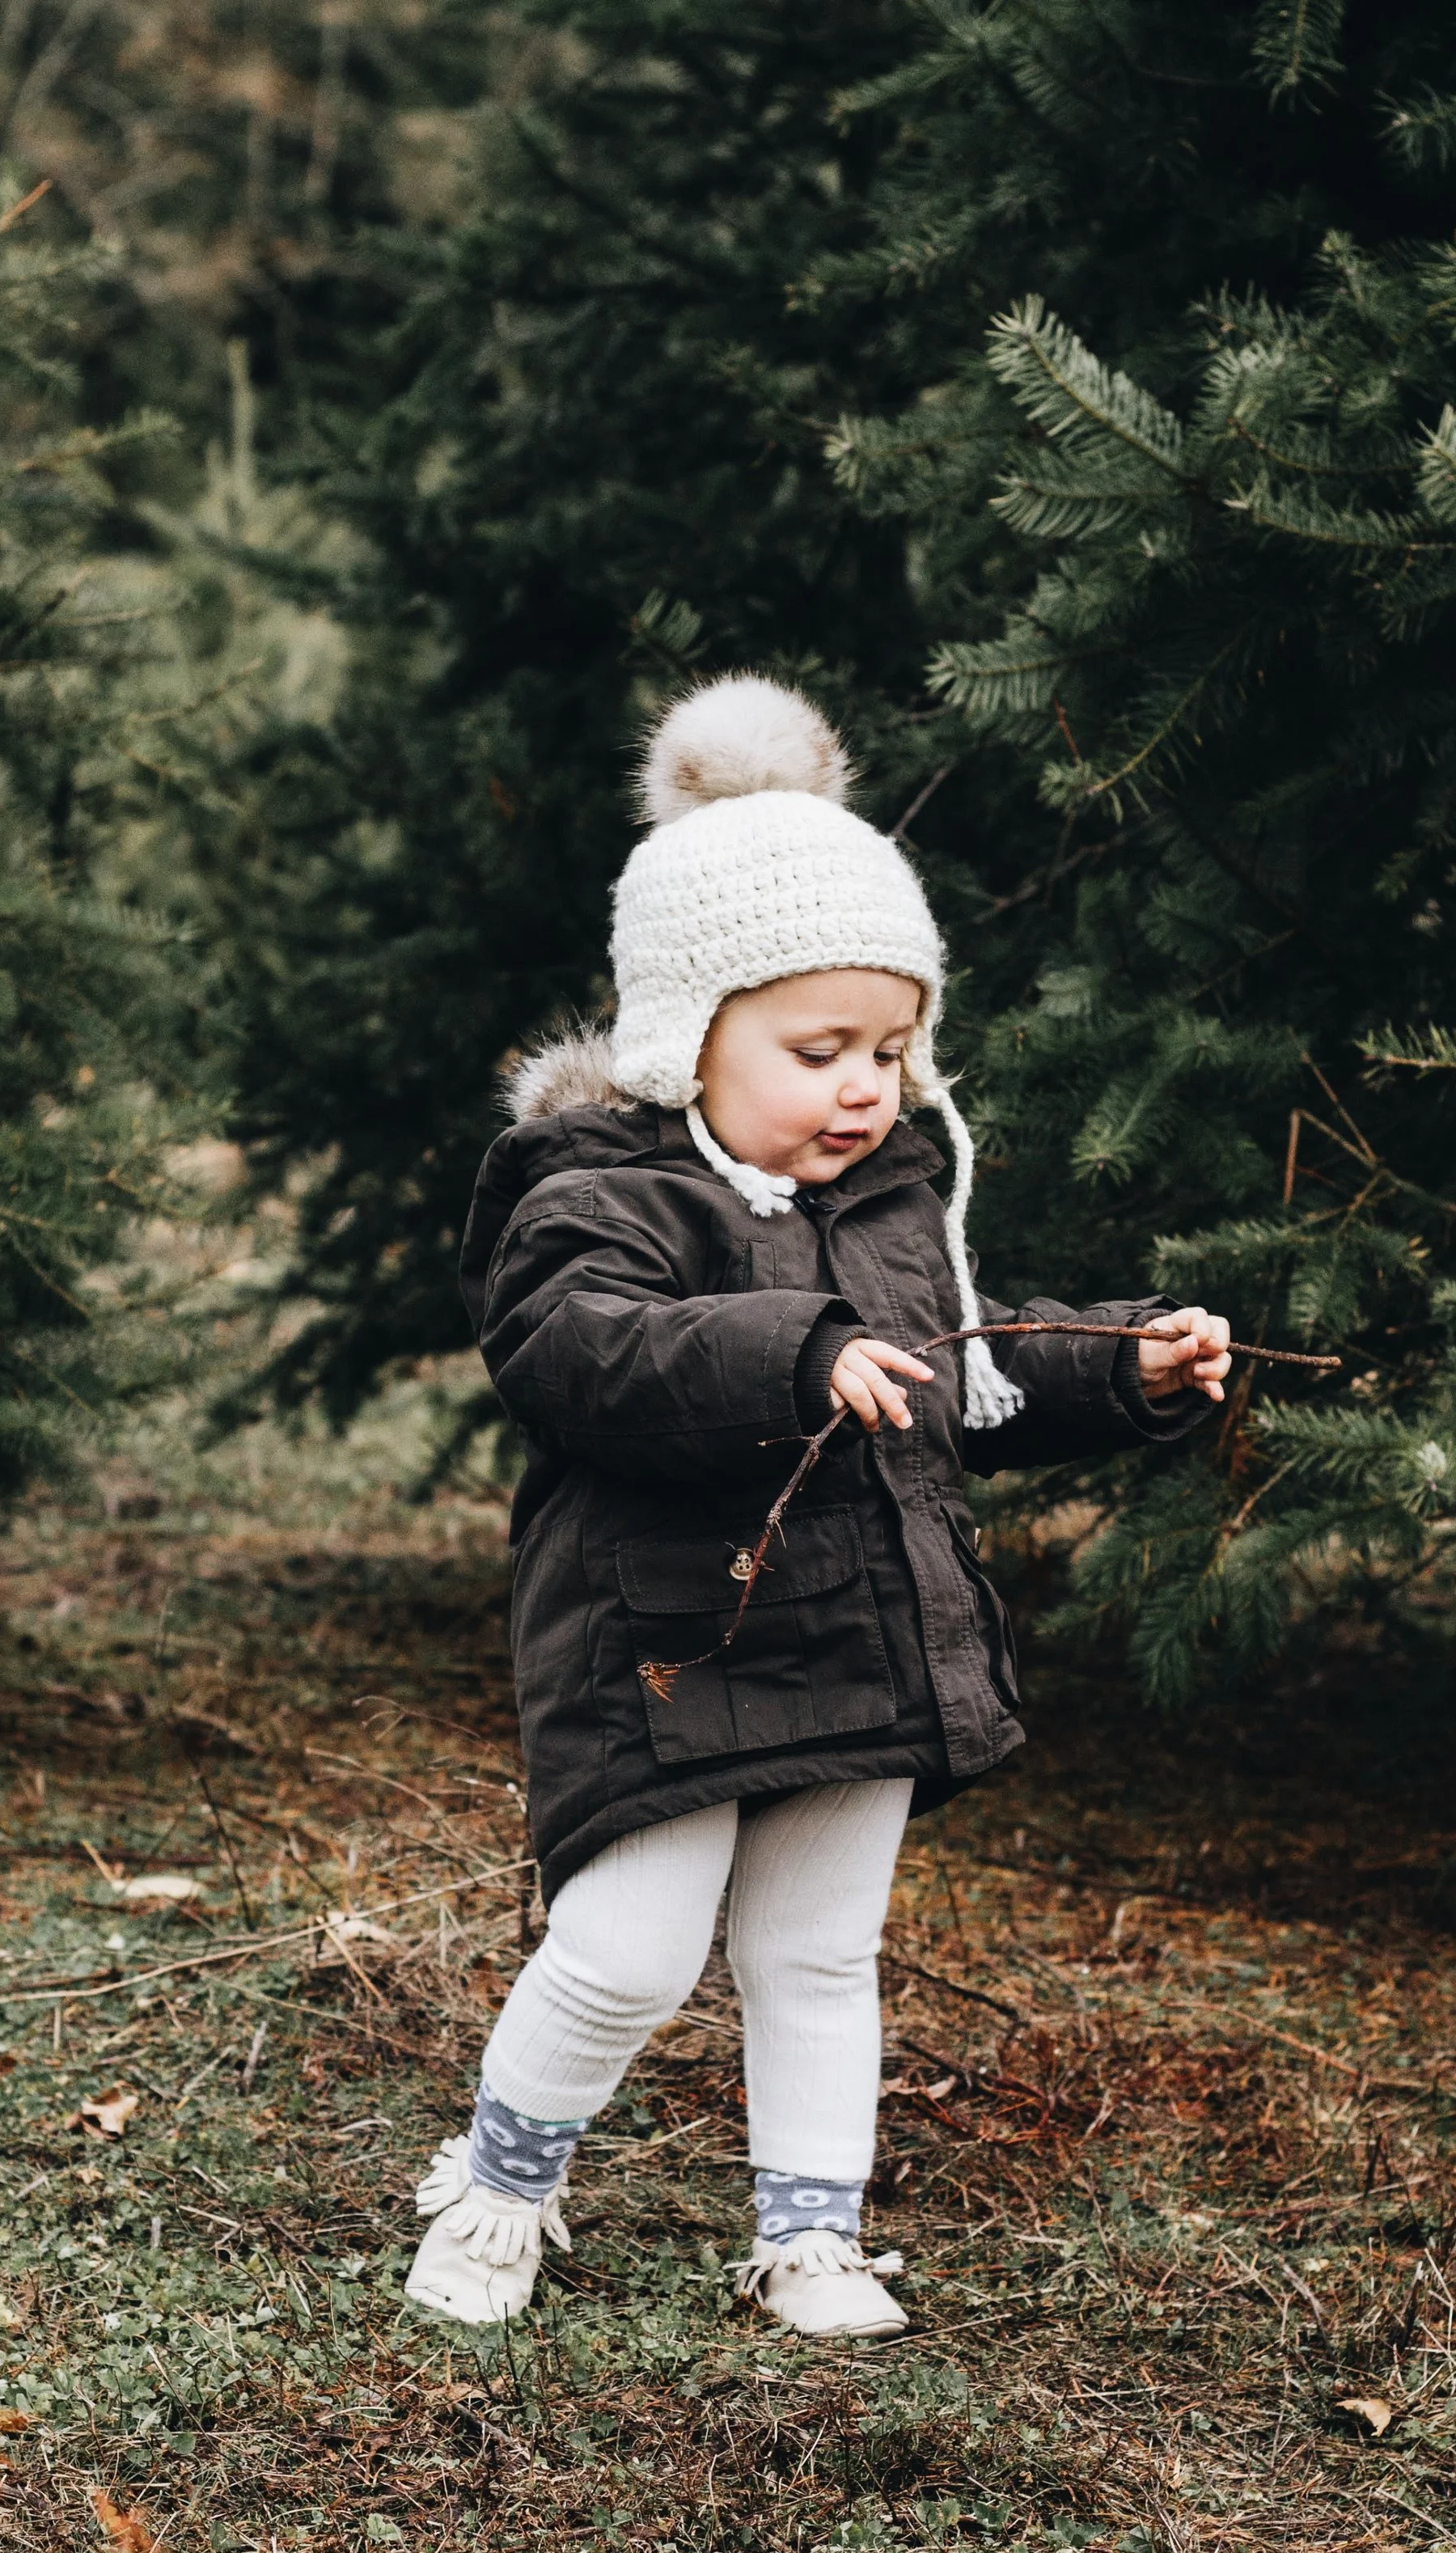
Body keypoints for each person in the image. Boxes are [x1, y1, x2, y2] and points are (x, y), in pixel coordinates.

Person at [403, 676, 1230, 2339]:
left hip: (859, 1639)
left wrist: (1117, 1371)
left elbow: (961, 1381)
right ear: (685, 1033)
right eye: (816, 1050)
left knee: (816, 1953)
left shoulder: (896, 1201)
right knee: (629, 1950)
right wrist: (797, 1351)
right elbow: (582, 1354)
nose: (865, 1088)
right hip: (665, 1640)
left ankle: (806, 2236)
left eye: (892, 1048)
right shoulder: (596, 1195)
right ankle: (497, 2188)